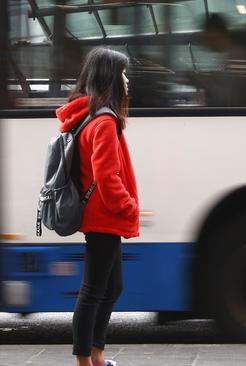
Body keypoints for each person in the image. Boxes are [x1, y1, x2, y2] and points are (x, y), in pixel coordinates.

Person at [56, 47, 139, 366]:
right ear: (110, 77)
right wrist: (128, 206)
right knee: (93, 290)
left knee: (111, 286)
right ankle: (85, 361)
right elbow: (106, 176)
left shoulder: (92, 115)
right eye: (123, 73)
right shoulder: (104, 121)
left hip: (102, 216)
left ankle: (97, 355)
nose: (127, 80)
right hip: (105, 215)